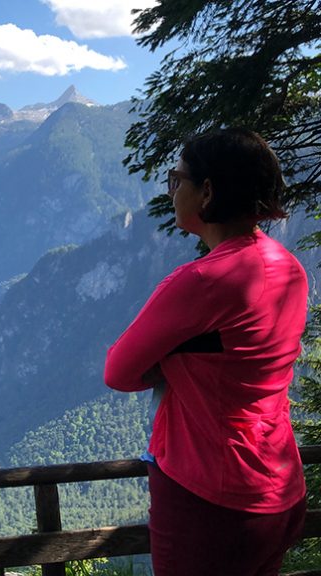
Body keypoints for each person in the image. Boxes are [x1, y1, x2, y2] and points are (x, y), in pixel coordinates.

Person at [104, 128, 307, 575]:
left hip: (210, 499)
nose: (172, 189)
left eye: (177, 179)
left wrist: (168, 363)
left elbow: (118, 372)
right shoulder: (288, 268)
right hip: (279, 488)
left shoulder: (201, 282)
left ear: (207, 192)